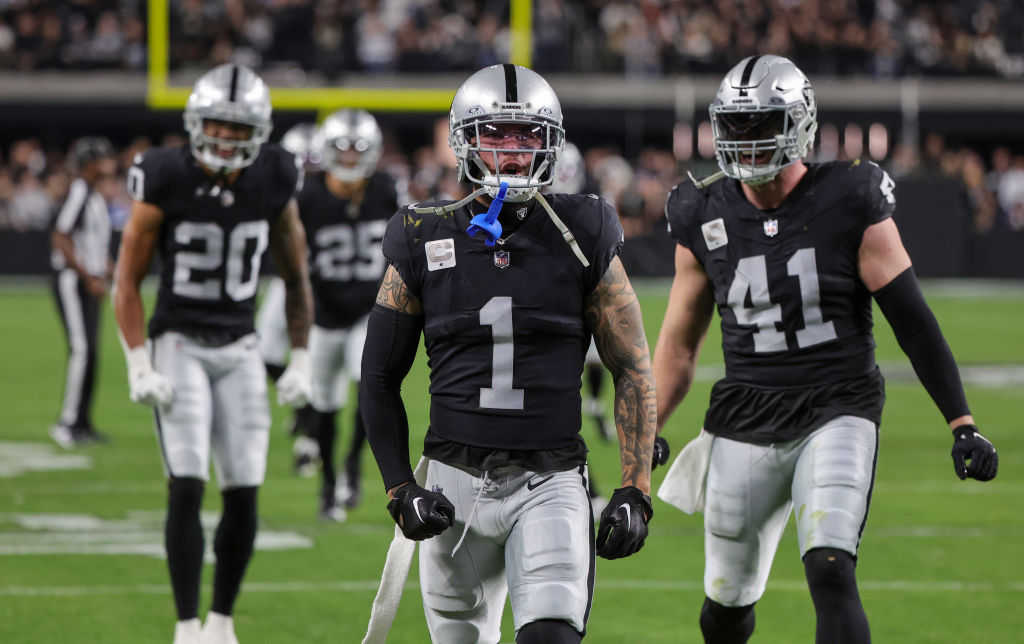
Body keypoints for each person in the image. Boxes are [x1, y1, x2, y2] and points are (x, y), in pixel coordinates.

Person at [652, 55, 999, 644]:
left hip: (839, 406)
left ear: (799, 123)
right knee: (725, 607)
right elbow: (680, 347)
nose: (746, 140)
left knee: (831, 568)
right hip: (745, 416)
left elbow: (912, 322)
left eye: (761, 124)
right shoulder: (701, 210)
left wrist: (961, 421)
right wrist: (648, 426)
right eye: (735, 126)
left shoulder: (849, 196)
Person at [360, 63, 658, 644]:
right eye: (495, 134)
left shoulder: (583, 228)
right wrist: (401, 491)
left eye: (526, 136)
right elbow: (377, 378)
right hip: (452, 484)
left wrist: (635, 488)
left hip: (549, 480)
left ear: (550, 143)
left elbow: (631, 366)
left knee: (551, 636)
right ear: (464, 141)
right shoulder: (423, 234)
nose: (512, 152)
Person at [113, 64, 313, 644]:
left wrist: (299, 356)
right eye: (217, 127)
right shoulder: (163, 174)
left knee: (246, 487)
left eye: (238, 128)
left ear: (260, 132)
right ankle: (185, 624)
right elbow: (127, 278)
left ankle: (221, 621)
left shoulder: (275, 173)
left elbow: (296, 276)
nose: (225, 139)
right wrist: (138, 360)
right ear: (196, 125)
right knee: (188, 480)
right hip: (179, 341)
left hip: (242, 344)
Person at [300, 108, 399, 520]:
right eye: (342, 148)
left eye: (359, 148)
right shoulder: (308, 196)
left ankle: (353, 467)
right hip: (324, 314)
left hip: (367, 311)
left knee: (366, 388)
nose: (350, 156)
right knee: (323, 405)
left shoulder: (384, 189)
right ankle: (326, 487)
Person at [254, 122, 321, 479]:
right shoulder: (279, 193)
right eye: (303, 162)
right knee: (264, 356)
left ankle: (309, 441)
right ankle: (304, 409)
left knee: (315, 367)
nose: (308, 170)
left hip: (320, 291)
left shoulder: (329, 197)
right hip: (286, 284)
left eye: (315, 163)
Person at [49, 136, 115, 448]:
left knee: (92, 353)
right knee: (82, 350)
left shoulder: (95, 197)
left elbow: (94, 246)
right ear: (89, 163)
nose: (106, 164)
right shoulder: (79, 191)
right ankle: (68, 422)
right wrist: (88, 275)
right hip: (73, 281)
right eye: (100, 159)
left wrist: (110, 270)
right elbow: (61, 236)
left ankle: (83, 422)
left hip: (90, 281)